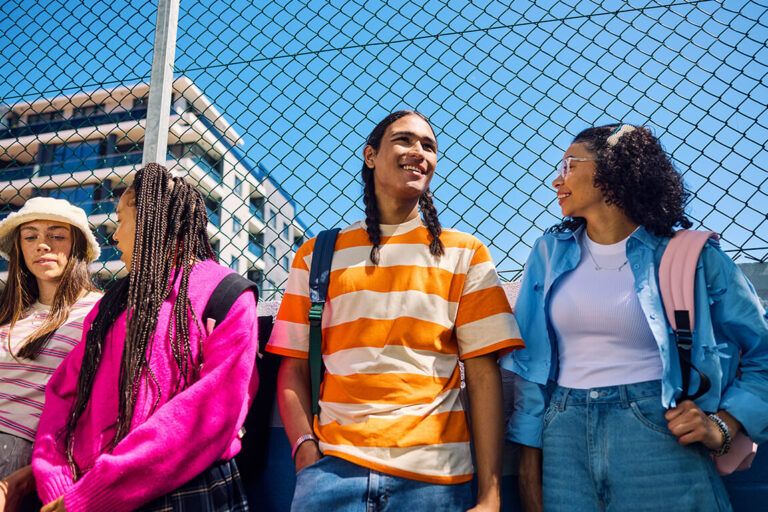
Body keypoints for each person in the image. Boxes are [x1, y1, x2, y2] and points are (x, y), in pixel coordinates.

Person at [501, 124, 768, 512]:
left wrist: (724, 424)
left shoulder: (693, 258)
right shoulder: (547, 255)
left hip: (660, 431)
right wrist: (530, 463)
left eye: (569, 164)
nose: (557, 179)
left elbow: (762, 354)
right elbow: (529, 366)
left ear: (613, 170)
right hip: (563, 439)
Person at [267, 110, 524, 511]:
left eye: (429, 145)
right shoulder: (317, 254)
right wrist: (305, 452)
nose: (419, 152)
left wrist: (490, 496)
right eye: (404, 140)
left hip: (436, 480)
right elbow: (293, 367)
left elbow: (483, 375)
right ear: (370, 156)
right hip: (331, 476)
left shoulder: (466, 254)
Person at [31, 163, 259, 512]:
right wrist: (58, 484)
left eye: (122, 219)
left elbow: (211, 415)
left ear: (155, 221)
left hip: (186, 491)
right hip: (79, 493)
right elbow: (63, 396)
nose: (115, 235)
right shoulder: (112, 304)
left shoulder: (226, 294)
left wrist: (95, 492)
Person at [0, 197, 102, 512]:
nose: (42, 245)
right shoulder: (8, 311)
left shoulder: (99, 311)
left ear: (78, 247)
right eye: (30, 237)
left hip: (27, 453)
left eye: (56, 236)